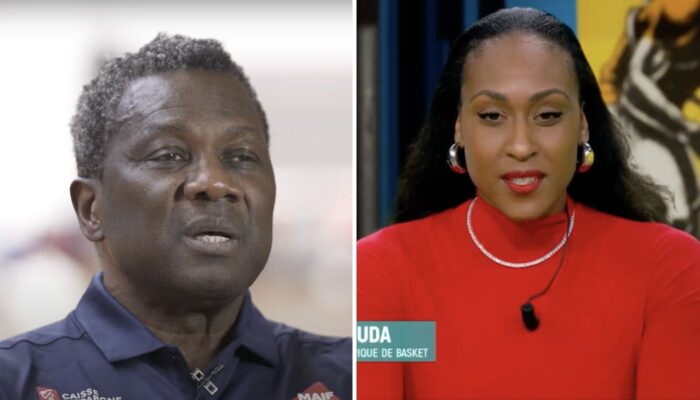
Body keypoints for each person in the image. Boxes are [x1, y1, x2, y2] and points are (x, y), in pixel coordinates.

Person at [358, 7, 700, 400]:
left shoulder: (668, 270)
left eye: (548, 115)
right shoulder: (384, 275)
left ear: (582, 124)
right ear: (459, 127)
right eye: (491, 116)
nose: (521, 146)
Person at [0, 34, 351, 399]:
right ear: (91, 209)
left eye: (242, 157)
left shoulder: (355, 376)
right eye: (169, 155)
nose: (215, 183)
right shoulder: (15, 381)